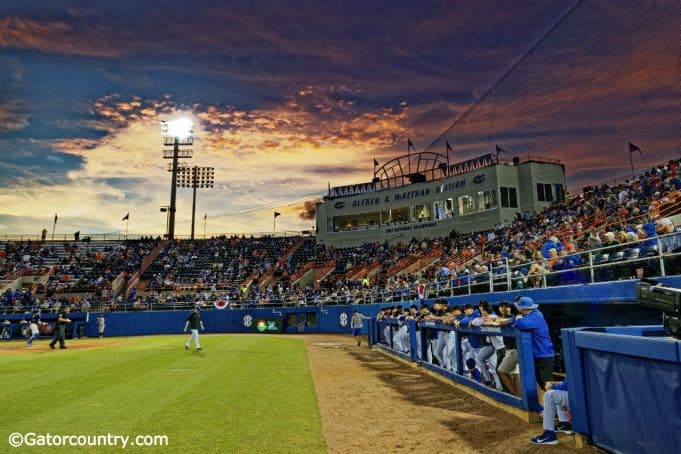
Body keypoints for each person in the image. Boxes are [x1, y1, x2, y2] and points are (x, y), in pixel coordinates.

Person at [490, 296, 554, 403]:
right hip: (538, 354)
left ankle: (561, 412)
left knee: (547, 385)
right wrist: (499, 322)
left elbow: (520, 323)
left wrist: (517, 319)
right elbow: (512, 320)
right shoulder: (529, 314)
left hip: (543, 355)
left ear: (523, 308)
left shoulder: (535, 315)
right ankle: (546, 409)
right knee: (541, 384)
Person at [530, 379, 572, 445]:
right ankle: (566, 425)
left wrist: (552, 387)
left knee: (549, 395)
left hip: (579, 397)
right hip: (581, 396)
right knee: (557, 393)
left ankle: (549, 435)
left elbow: (571, 385)